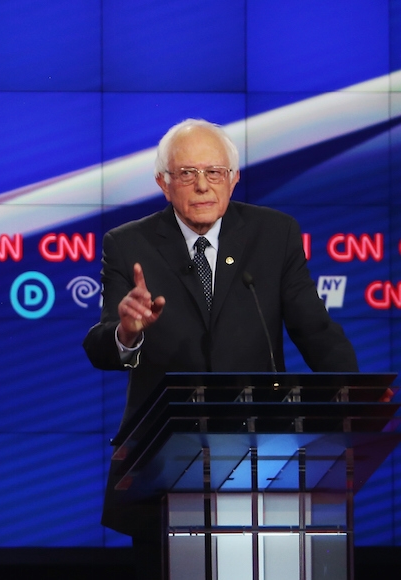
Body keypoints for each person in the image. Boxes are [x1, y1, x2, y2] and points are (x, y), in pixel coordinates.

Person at [82, 119, 358, 578]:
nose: (203, 186)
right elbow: (102, 345)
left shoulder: (275, 234)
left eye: (215, 172)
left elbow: (315, 331)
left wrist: (354, 397)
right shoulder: (128, 243)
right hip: (165, 464)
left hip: (263, 457)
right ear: (163, 184)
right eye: (187, 174)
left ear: (234, 179)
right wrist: (127, 331)